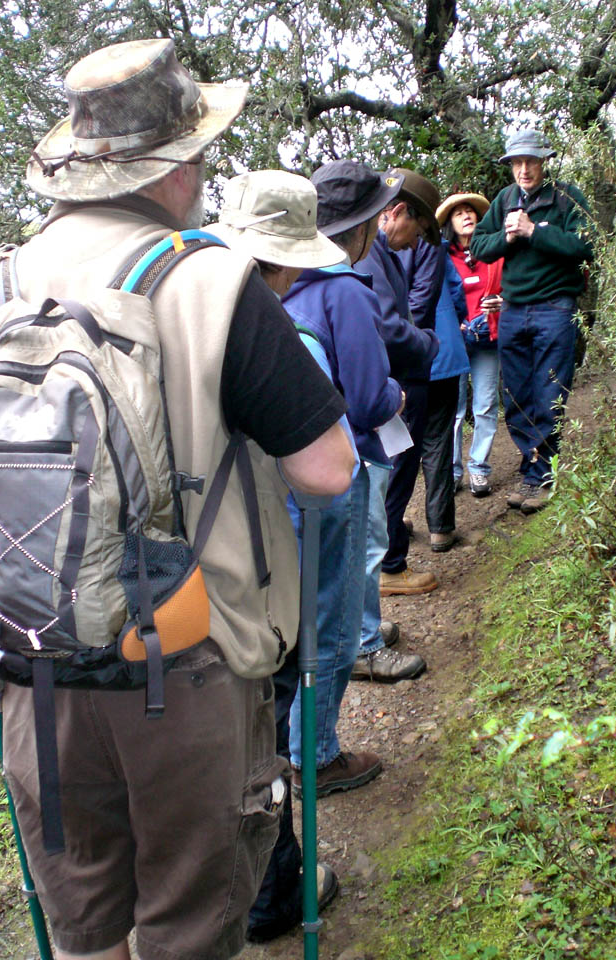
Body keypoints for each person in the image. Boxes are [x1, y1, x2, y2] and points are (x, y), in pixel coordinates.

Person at [0, 39, 354, 960]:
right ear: (174, 170)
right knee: (191, 928)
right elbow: (327, 470)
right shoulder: (211, 280)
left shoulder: (6, 276)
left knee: (86, 930)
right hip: (188, 660)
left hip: (35, 669)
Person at [211, 169, 349, 942]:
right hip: (249, 581)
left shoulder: (158, 299)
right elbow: (331, 471)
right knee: (261, 740)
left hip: (154, 585)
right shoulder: (260, 319)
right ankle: (271, 894)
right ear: (288, 258)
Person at [281, 159, 415, 787]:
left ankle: (290, 745)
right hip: (342, 465)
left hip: (285, 479)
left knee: (301, 610)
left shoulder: (286, 288)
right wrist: (396, 395)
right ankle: (319, 754)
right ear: (359, 230)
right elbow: (366, 399)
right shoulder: (346, 291)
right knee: (332, 618)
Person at [471, 129, 594, 513]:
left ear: (543, 161)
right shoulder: (504, 201)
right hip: (513, 309)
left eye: (531, 162)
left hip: (555, 307)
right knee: (518, 395)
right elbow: (478, 247)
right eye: (517, 163)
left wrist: (533, 231)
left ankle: (541, 475)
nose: (524, 170)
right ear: (510, 167)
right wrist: (507, 239)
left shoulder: (567, 197)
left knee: (549, 391)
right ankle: (535, 467)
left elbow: (586, 246)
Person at [355, 169, 441, 608]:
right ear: (398, 212)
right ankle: (390, 566)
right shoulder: (369, 253)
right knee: (391, 473)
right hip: (393, 384)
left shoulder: (378, 251)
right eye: (420, 229)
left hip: (393, 381)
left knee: (392, 473)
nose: (418, 241)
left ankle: (388, 563)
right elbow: (387, 326)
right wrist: (428, 341)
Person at [401, 234, 470, 551]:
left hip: (402, 357)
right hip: (442, 352)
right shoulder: (436, 248)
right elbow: (457, 292)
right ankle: (441, 529)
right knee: (438, 443)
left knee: (397, 444)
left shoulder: (379, 247)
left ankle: (394, 521)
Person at [436, 192, 503, 499]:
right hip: (457, 340)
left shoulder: (494, 253)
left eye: (471, 211)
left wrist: (504, 302)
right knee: (454, 409)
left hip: (489, 337)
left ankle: (479, 468)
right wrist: (455, 320)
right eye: (458, 212)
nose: (466, 216)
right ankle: (452, 471)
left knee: (486, 404)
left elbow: (511, 285)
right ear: (450, 222)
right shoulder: (441, 255)